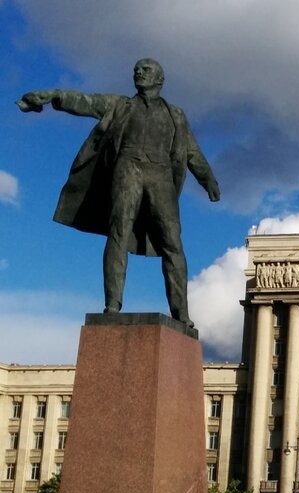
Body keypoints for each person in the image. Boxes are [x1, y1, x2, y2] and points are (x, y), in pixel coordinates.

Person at [17, 58, 220, 328]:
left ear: (160, 79)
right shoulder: (121, 105)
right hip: (128, 169)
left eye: (145, 69)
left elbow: (192, 151)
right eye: (136, 68)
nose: (138, 72)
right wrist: (51, 96)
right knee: (118, 234)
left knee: (173, 243)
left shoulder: (176, 115)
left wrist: (208, 180)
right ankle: (112, 305)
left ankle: (180, 313)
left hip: (161, 177)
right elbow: (84, 102)